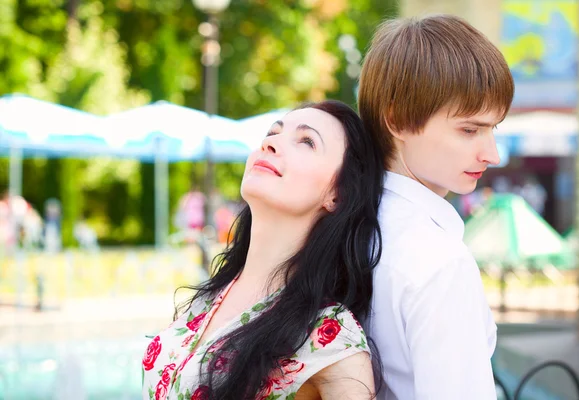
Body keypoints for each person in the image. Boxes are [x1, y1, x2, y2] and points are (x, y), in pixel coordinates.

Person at [142, 100, 385, 400]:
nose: (271, 143)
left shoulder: (329, 335)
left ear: (338, 193)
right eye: (273, 133)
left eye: (307, 142)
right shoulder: (210, 296)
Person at [358, 14, 514, 400]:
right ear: (396, 119)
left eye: (494, 129)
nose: (492, 154)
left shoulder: (350, 225)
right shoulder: (437, 261)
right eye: (469, 130)